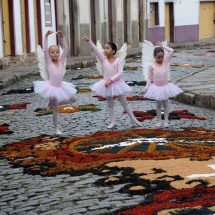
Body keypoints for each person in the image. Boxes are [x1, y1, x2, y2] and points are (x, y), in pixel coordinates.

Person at [82, 36, 142, 128]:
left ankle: (133, 119)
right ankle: (112, 122)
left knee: (124, 102)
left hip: (116, 83)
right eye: (104, 48)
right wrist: (90, 41)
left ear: (113, 51)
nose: (105, 50)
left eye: (107, 48)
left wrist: (111, 80)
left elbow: (120, 73)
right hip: (106, 84)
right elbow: (96, 51)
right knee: (110, 103)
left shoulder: (118, 60)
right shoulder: (103, 59)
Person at [33, 30, 77, 135]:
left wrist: (62, 37)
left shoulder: (61, 61)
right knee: (56, 110)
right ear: (49, 54)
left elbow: (66, 49)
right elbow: (44, 50)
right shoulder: (48, 61)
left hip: (61, 86)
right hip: (51, 87)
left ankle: (52, 104)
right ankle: (56, 129)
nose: (55, 54)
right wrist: (46, 37)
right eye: (52, 52)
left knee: (74, 99)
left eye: (57, 52)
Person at [141, 41, 183, 128]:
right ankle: (159, 121)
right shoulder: (151, 66)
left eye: (162, 57)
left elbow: (172, 51)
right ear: (154, 56)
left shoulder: (165, 62)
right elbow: (149, 78)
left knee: (166, 104)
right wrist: (146, 87)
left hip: (165, 86)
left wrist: (164, 47)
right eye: (158, 57)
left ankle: (166, 121)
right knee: (158, 105)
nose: (160, 59)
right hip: (157, 87)